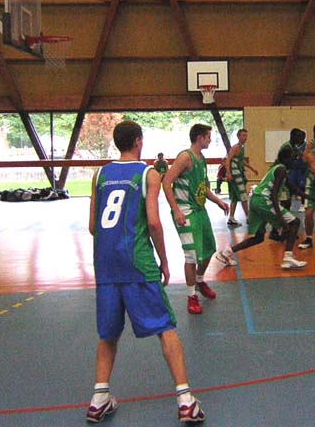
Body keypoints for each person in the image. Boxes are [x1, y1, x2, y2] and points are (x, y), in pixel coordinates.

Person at [87, 121, 205, 423]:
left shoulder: (100, 175)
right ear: (139, 141)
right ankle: (185, 400)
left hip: (105, 266)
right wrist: (164, 260)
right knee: (166, 328)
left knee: (108, 333)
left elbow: (92, 226)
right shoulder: (147, 174)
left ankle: (99, 398)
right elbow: (153, 222)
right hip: (137, 264)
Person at [162, 124, 230, 315]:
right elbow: (166, 182)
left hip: (200, 210)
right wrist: (176, 210)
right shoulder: (185, 157)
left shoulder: (202, 159)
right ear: (200, 138)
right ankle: (191, 295)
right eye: (208, 137)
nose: (210, 140)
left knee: (209, 249)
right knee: (191, 256)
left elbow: (204, 187)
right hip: (186, 211)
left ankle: (199, 281)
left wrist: (218, 201)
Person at [214, 145, 309, 270]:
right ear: (286, 159)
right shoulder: (281, 170)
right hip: (264, 201)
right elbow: (273, 196)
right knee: (295, 222)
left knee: (258, 238)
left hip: (256, 200)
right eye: (294, 158)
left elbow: (295, 190)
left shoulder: (280, 169)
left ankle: (226, 253)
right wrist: (281, 220)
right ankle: (288, 257)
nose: (296, 161)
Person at [225, 129, 259, 227]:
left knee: (235, 197)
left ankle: (231, 218)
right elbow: (228, 160)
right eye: (243, 135)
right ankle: (248, 217)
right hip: (235, 174)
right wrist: (229, 173)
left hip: (238, 173)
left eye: (246, 136)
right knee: (243, 195)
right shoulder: (235, 147)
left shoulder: (242, 148)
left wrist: (252, 169)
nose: (245, 138)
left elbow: (242, 161)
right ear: (238, 136)